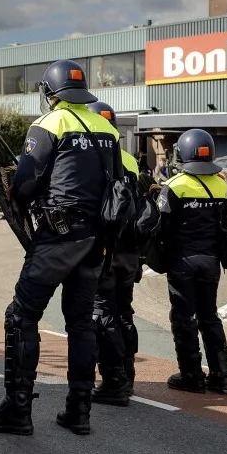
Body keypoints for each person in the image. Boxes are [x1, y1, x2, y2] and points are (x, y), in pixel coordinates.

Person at [0, 59, 121, 437]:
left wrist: (17, 183)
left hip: (57, 238)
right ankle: (79, 410)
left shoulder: (49, 125)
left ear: (49, 92)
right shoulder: (107, 128)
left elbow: (25, 183)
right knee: (80, 323)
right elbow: (118, 185)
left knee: (21, 316)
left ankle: (18, 408)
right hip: (95, 240)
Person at [150, 129, 227, 393]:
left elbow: (160, 225)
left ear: (182, 154)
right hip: (211, 261)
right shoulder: (221, 184)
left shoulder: (174, 185)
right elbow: (226, 221)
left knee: (184, 317)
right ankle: (221, 375)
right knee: (210, 316)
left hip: (182, 262)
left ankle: (191, 375)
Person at [87, 102, 142, 406]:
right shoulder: (131, 161)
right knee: (124, 312)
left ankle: (113, 381)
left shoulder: (91, 160)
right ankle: (128, 374)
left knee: (103, 313)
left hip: (106, 251)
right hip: (130, 253)